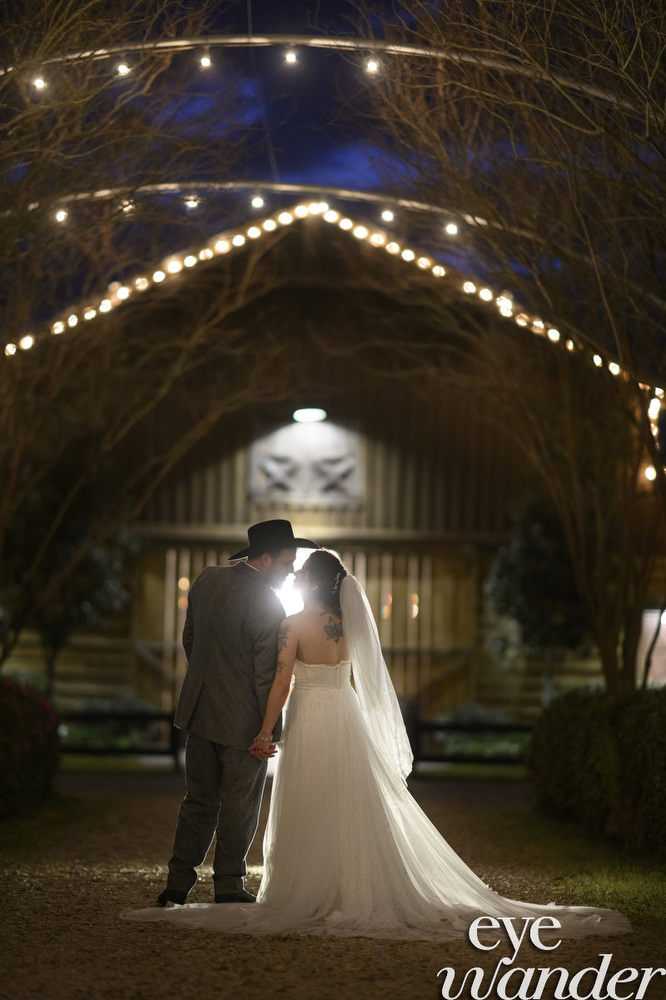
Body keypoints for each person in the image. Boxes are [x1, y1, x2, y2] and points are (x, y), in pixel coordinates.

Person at [131, 549, 630, 940]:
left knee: (309, 799)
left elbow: (282, 682)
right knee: (352, 799)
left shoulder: (293, 624)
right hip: (346, 720)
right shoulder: (352, 627)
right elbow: (364, 682)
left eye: (301, 574)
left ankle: (306, 886)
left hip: (310, 717)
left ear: (310, 582)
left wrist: (265, 731)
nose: (296, 579)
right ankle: (354, 883)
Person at [155, 519, 318, 907]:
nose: (291, 570)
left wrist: (211, 683)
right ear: (264, 558)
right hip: (244, 720)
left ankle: (177, 883)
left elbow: (189, 640)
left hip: (199, 711)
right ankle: (228, 885)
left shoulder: (207, 579)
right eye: (286, 562)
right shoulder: (269, 603)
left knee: (197, 800)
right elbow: (267, 675)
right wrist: (268, 731)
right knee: (239, 805)